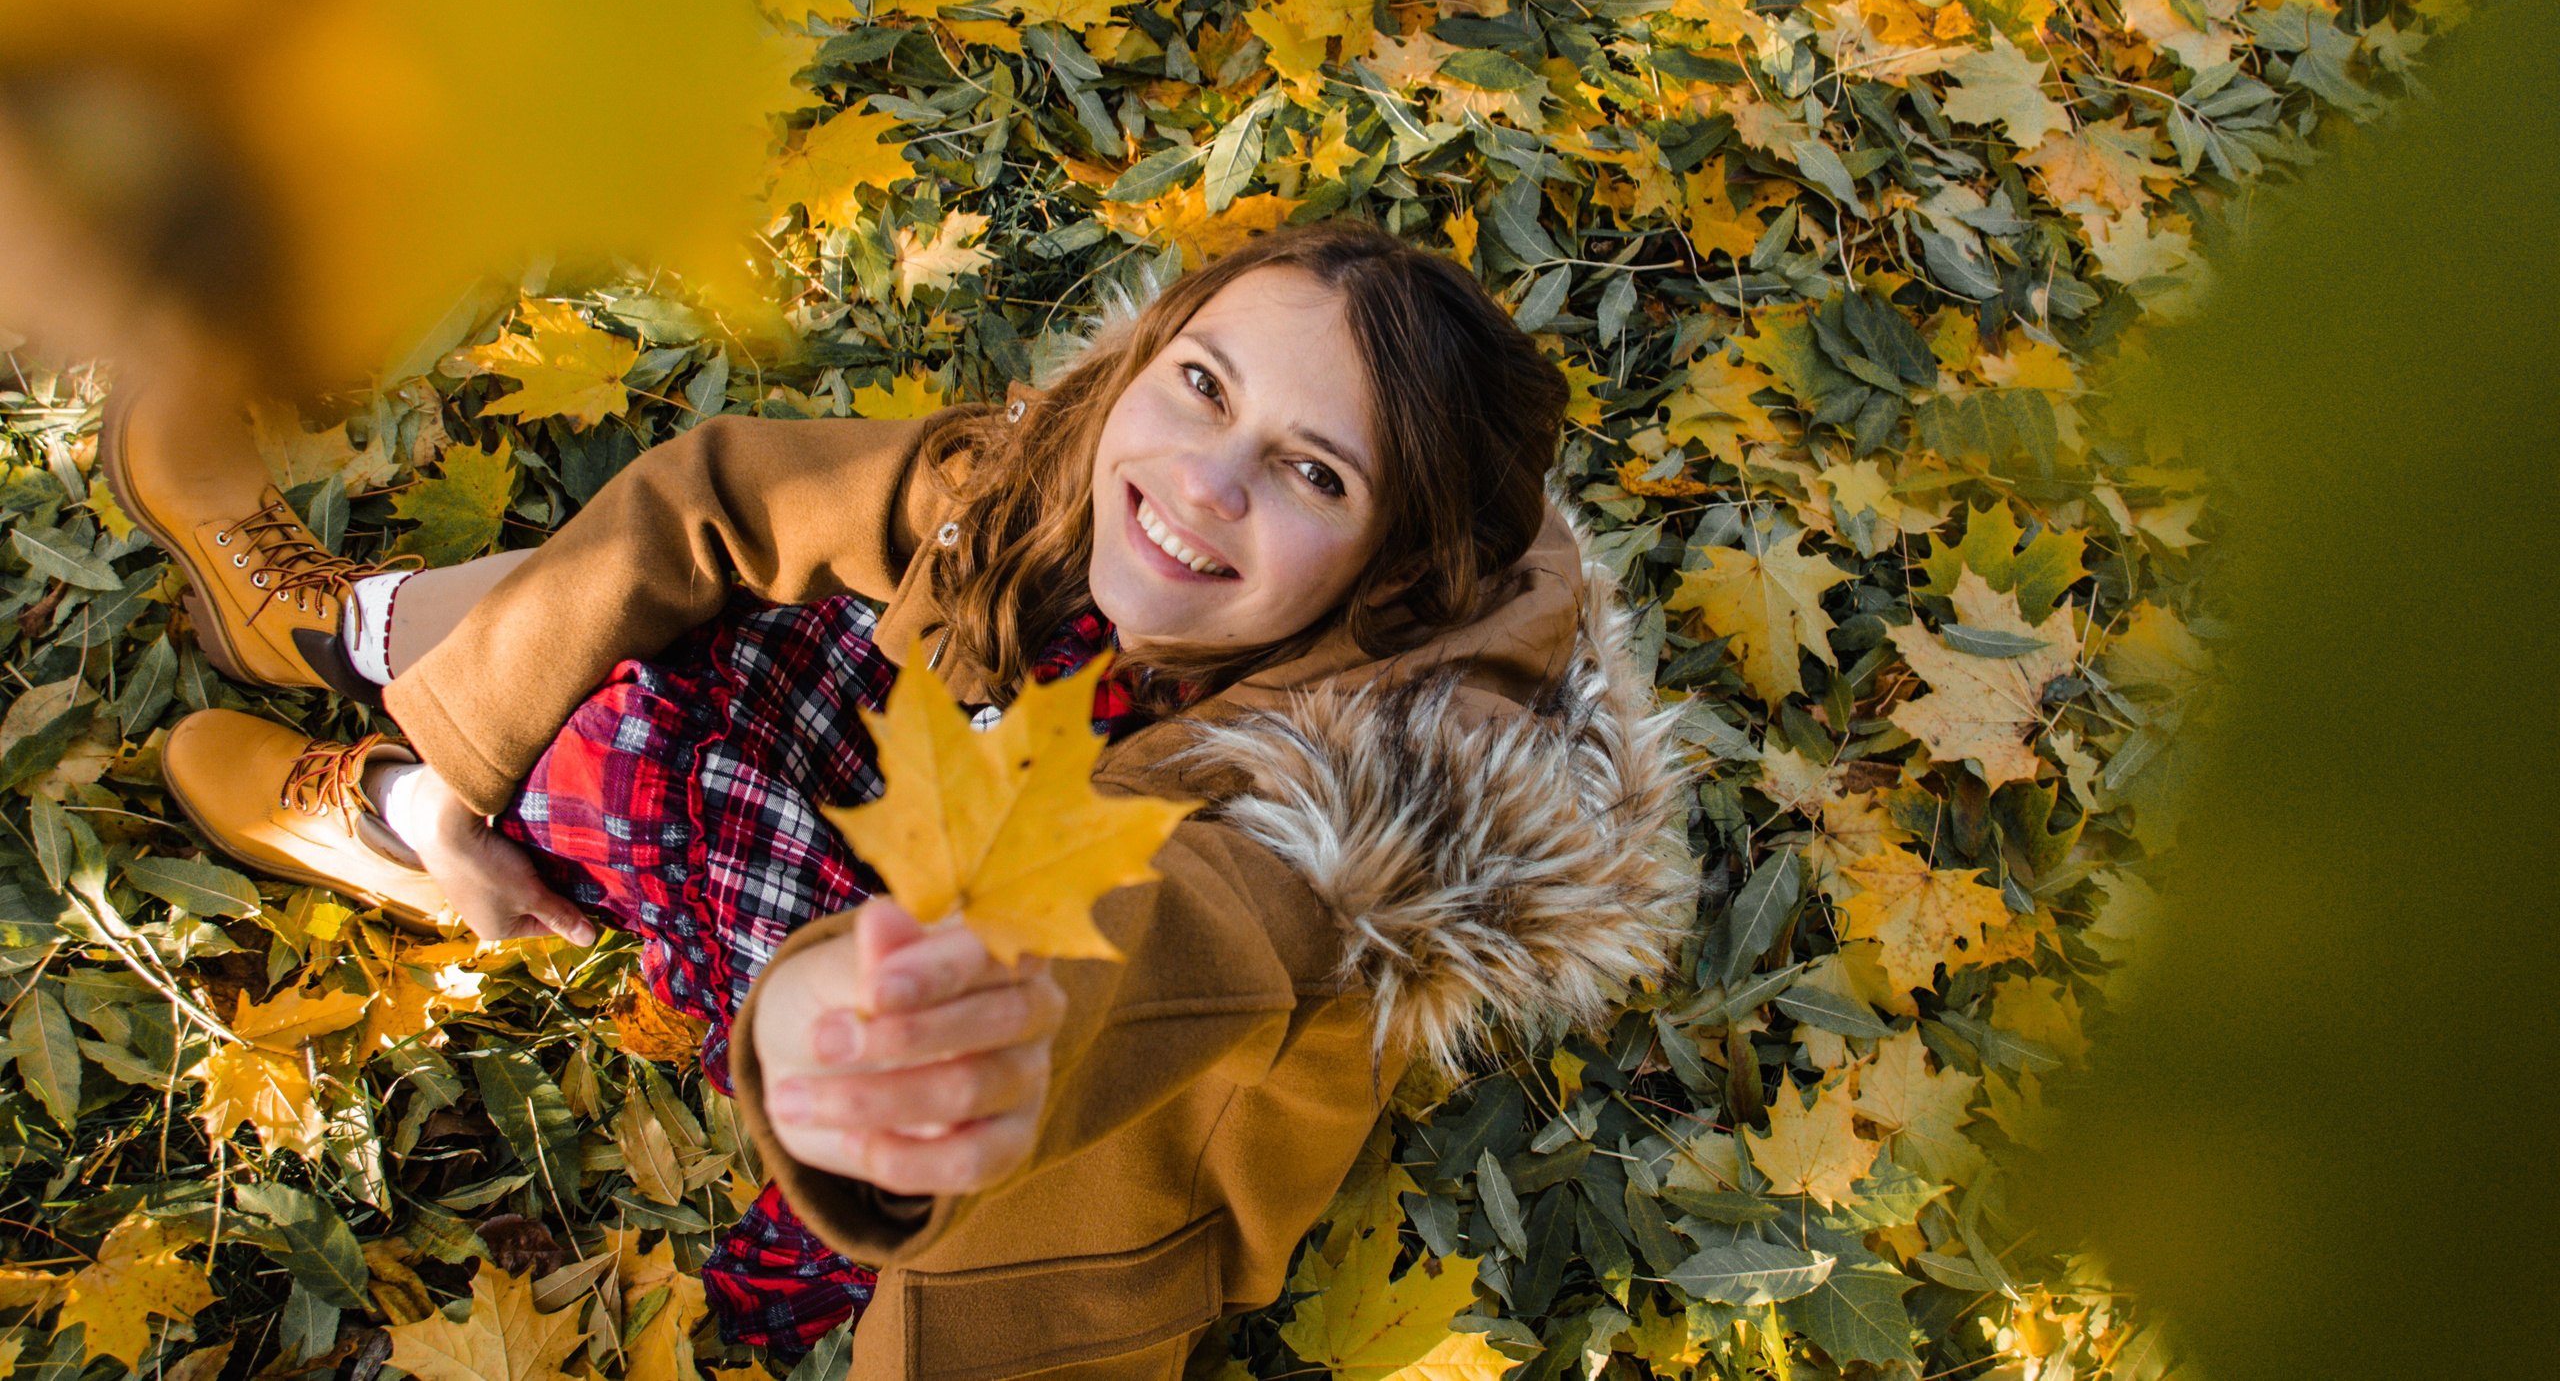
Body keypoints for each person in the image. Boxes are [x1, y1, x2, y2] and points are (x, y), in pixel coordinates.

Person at [109, 223, 1700, 1379]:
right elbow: (725, 499)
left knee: (623, 713)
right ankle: (349, 645)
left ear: (1397, 577)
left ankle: (391, 799)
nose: (1206, 481)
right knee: (633, 612)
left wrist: (883, 1033)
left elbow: (1127, 961)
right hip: (920, 808)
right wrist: (475, 757)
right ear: (1148, 359)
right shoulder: (1078, 478)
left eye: (1315, 475)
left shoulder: (1335, 833)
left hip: (1016, 1118)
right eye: (1204, 386)